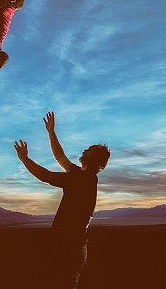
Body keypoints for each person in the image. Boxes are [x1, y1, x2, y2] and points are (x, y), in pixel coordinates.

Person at [14, 112, 110, 289]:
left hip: (69, 250)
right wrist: (51, 132)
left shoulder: (83, 179)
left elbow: (46, 176)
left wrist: (25, 159)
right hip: (69, 248)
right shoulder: (83, 177)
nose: (84, 150)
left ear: (94, 159)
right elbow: (60, 158)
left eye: (89, 150)